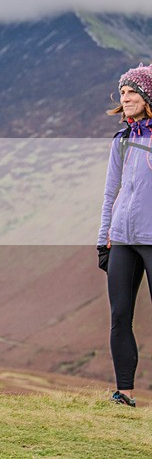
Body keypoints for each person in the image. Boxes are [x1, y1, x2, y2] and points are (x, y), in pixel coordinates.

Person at [97, 64, 152, 408]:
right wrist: (103, 238)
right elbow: (110, 192)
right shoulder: (122, 140)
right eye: (123, 92)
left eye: (133, 91)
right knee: (119, 316)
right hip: (122, 239)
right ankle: (124, 394)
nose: (126, 97)